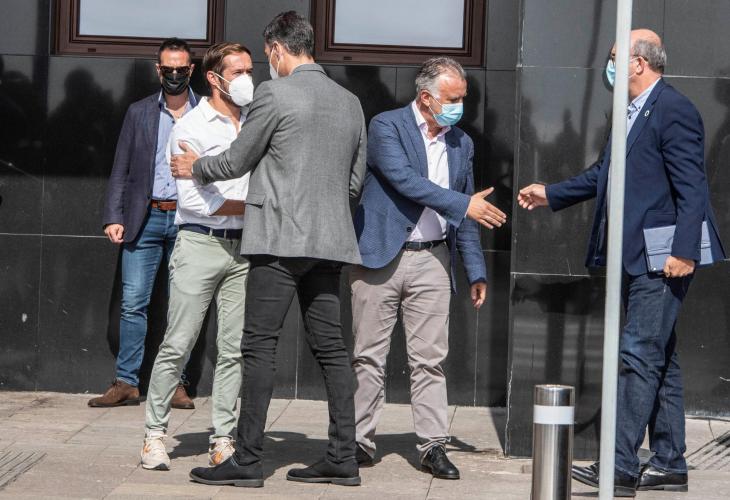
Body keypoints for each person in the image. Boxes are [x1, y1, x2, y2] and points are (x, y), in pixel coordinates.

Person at [517, 29, 725, 497]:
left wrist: (684, 251)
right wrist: (552, 194)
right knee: (659, 356)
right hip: (635, 256)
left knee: (637, 355)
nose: (608, 66)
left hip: (663, 256)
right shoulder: (628, 111)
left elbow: (692, 187)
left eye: (615, 57)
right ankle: (669, 463)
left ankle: (619, 465)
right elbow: (603, 174)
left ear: (639, 63)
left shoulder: (673, 109)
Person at [170, 11, 366, 488]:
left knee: (258, 346)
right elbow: (354, 183)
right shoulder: (350, 102)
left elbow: (237, 160)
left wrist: (196, 167)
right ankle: (343, 456)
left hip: (278, 241)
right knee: (333, 351)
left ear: (277, 50)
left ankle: (248, 460)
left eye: (266, 56)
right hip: (330, 243)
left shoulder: (274, 95)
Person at [350, 57, 506, 480]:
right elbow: (405, 180)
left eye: (463, 99)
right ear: (425, 97)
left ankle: (433, 446)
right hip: (381, 255)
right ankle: (358, 441)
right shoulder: (386, 126)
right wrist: (464, 204)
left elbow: (465, 213)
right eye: (452, 99)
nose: (460, 107)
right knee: (368, 356)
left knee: (430, 360)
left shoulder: (462, 144)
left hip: (433, 259)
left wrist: (475, 269)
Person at [140, 42, 254, 471]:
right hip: (200, 243)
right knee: (179, 341)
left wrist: (245, 204)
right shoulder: (190, 126)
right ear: (213, 77)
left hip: (245, 248)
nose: (247, 79)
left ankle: (222, 437)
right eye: (238, 72)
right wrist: (258, 205)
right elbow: (196, 201)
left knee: (233, 348)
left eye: (249, 70)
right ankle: (154, 434)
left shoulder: (256, 122)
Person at [91, 38, 198, 409]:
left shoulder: (206, 113)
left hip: (188, 220)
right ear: (158, 70)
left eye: (181, 69)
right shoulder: (139, 112)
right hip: (144, 217)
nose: (174, 74)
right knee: (133, 302)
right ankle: (127, 382)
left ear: (191, 70)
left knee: (182, 306)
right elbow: (121, 166)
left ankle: (176, 383)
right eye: (168, 69)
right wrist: (113, 215)